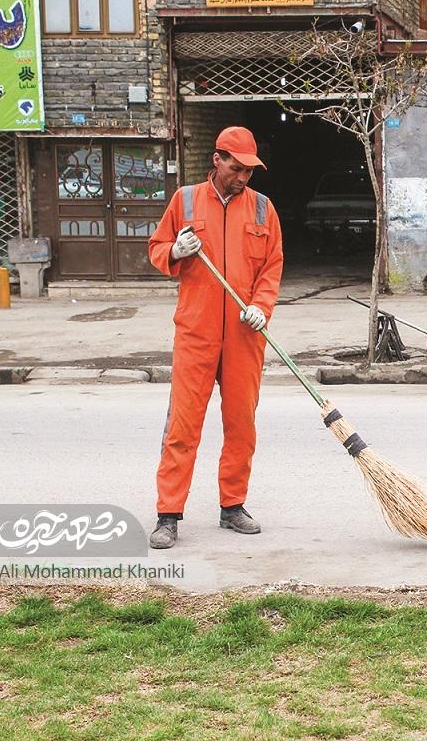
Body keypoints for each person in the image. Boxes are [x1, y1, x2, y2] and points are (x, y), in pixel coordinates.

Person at [145, 127, 284, 549]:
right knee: (183, 427)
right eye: (236, 168)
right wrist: (175, 251)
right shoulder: (184, 201)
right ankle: (168, 515)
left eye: (249, 171)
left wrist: (261, 306)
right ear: (217, 159)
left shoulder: (263, 209)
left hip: (245, 335)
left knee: (241, 425)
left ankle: (233, 507)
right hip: (196, 333)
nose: (243, 177)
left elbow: (272, 267)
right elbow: (156, 247)